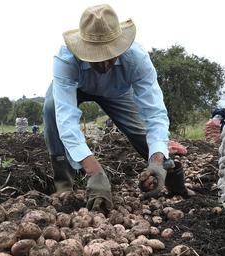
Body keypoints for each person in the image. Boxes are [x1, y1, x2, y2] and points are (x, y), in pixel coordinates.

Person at [43, 4, 191, 212]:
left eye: (109, 56)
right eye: (96, 57)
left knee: (141, 134)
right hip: (78, 88)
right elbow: (65, 117)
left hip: (117, 93)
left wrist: (156, 161)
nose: (103, 66)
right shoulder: (65, 59)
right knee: (50, 108)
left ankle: (171, 177)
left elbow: (154, 113)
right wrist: (94, 172)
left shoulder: (137, 59)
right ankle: (64, 185)